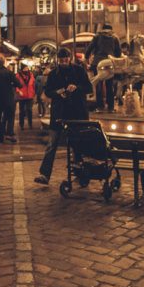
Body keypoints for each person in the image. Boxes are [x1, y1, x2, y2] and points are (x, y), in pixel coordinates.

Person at [34, 47, 93, 185]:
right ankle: (44, 175)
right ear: (57, 60)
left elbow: (89, 88)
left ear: (70, 59)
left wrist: (76, 88)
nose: (64, 63)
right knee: (51, 144)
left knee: (77, 145)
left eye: (66, 60)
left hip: (77, 113)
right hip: (59, 113)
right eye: (61, 61)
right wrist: (59, 92)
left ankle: (79, 173)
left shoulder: (79, 71)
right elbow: (48, 91)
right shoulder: (54, 73)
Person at [85, 24, 122, 111]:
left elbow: (89, 48)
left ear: (102, 29)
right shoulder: (115, 37)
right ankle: (111, 106)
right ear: (111, 30)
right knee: (109, 85)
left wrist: (86, 57)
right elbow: (118, 52)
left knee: (99, 85)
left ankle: (100, 106)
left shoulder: (97, 36)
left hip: (98, 63)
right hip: (110, 64)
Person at [15, 63, 36, 130]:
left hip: (30, 95)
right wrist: (18, 91)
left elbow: (33, 84)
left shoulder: (31, 74)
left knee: (29, 110)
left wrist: (33, 92)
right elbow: (16, 84)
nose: (26, 69)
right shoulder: (18, 75)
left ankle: (30, 124)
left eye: (27, 68)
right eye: (24, 68)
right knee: (22, 111)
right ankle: (21, 124)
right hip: (22, 96)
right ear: (21, 69)